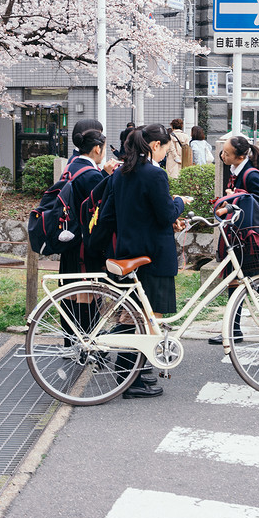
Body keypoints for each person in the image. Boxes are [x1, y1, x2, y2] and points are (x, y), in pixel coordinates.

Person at [112, 124, 192, 398]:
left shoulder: (122, 172)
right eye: (168, 148)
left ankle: (131, 375)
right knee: (148, 319)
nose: (167, 154)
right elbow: (165, 214)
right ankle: (132, 380)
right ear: (156, 146)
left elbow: (129, 212)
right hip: (153, 255)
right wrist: (180, 202)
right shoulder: (155, 175)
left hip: (128, 251)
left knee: (132, 316)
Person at [58, 123, 119, 347]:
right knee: (87, 293)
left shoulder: (71, 165)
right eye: (103, 148)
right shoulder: (92, 174)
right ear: (96, 149)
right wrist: (106, 176)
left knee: (69, 292)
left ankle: (70, 342)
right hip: (84, 243)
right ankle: (86, 344)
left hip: (68, 239)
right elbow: (97, 208)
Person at [210, 134, 259, 346]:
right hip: (236, 233)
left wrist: (234, 197)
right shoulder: (237, 171)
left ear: (241, 156)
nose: (222, 156)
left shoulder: (250, 175)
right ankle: (233, 329)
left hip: (247, 236)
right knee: (236, 282)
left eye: (226, 153)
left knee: (248, 281)